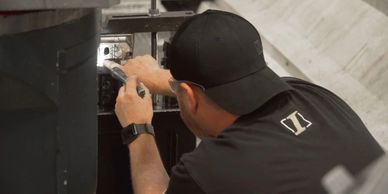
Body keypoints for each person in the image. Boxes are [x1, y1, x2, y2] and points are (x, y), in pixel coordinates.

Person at [114, 10, 384, 194]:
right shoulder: (312, 94)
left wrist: (138, 128)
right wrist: (154, 78)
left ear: (191, 97)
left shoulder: (208, 170)